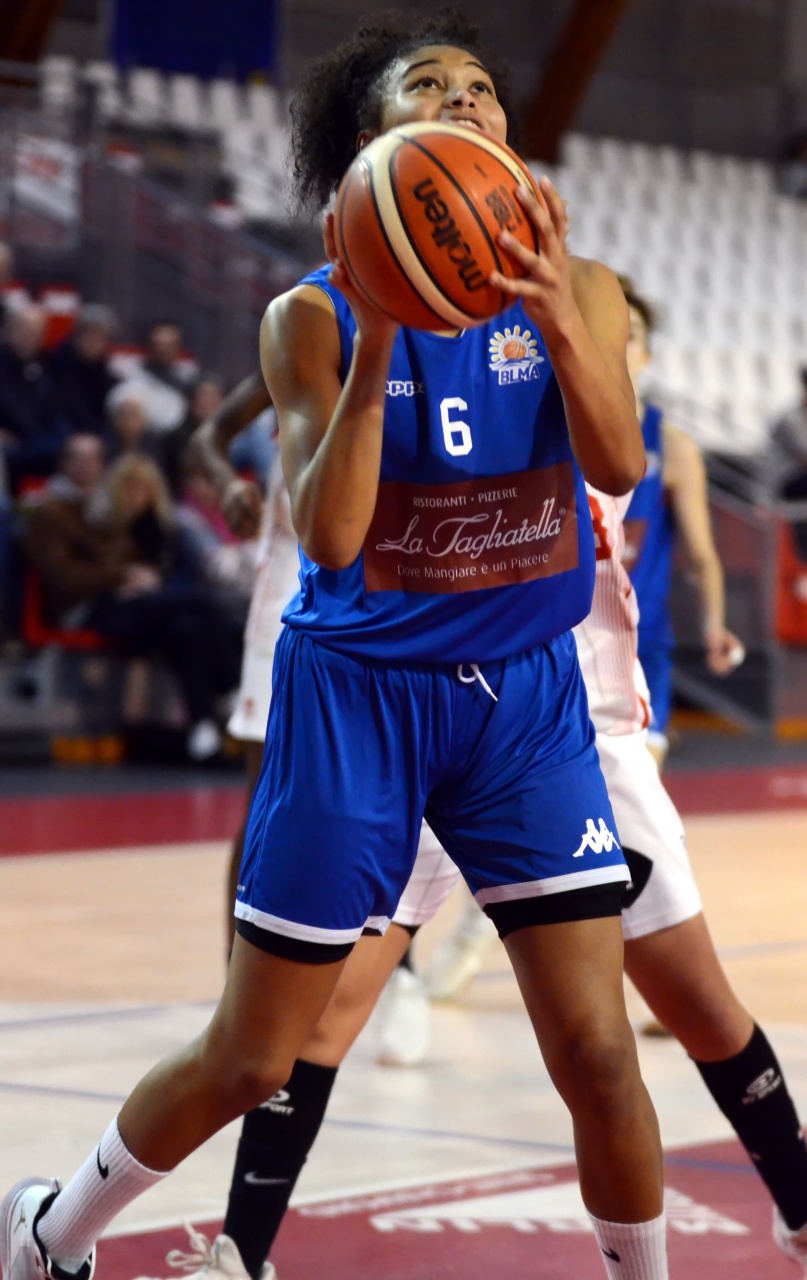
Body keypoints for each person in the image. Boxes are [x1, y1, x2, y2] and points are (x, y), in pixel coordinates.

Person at [0, 12, 665, 1280]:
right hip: (359, 696)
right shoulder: (306, 318)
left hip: (525, 701)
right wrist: (384, 331)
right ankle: (48, 1231)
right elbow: (336, 534)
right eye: (431, 85)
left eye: (483, 86)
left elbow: (620, 462)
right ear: (372, 143)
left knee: (596, 1048)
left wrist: (555, 312)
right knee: (255, 1055)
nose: (467, 101)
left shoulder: (578, 289)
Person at [140, 477, 807, 1280]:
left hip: (577, 736)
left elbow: (616, 469)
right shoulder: (440, 410)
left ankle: (800, 1208)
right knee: (321, 1018)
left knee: (692, 1005)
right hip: (432, 715)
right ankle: (238, 1256)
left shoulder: (588, 424)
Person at [620, 282, 743, 765]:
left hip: (641, 643)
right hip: (568, 645)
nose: (618, 342)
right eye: (608, 330)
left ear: (647, 355)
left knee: (641, 793)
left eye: (631, 333)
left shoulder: (673, 447)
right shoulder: (554, 433)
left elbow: (701, 556)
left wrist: (715, 626)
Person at [0, 301, 62, 488]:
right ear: (6, 330)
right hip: (9, 445)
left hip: (40, 441)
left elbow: (56, 412)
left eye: (35, 331)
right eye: (22, 328)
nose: (28, 336)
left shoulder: (48, 367)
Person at [47, 304, 120, 439]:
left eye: (100, 337)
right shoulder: (55, 366)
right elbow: (55, 412)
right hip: (61, 435)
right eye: (89, 334)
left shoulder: (107, 375)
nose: (94, 342)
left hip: (96, 437)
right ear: (76, 336)